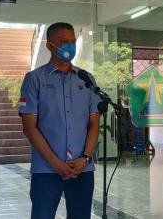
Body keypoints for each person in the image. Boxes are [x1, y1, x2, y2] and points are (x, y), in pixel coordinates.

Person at [18, 22, 101, 219]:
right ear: (50, 45)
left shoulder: (86, 79)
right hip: (46, 171)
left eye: (73, 41)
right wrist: (56, 164)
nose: (69, 46)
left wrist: (86, 158)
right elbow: (30, 129)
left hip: (82, 169)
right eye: (64, 41)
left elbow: (94, 124)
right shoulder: (34, 79)